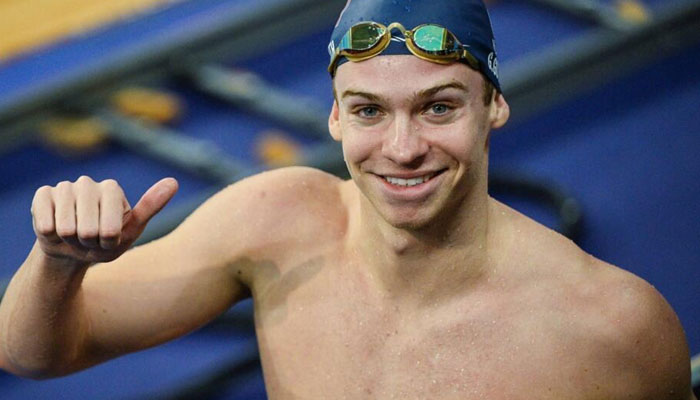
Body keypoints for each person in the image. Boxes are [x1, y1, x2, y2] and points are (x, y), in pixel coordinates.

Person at [0, 0, 695, 398]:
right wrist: (58, 265)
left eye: (438, 108)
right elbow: (31, 355)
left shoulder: (611, 329)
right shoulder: (274, 222)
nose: (401, 147)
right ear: (333, 117)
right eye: (368, 112)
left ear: (494, 108)